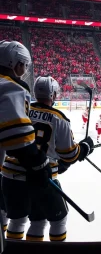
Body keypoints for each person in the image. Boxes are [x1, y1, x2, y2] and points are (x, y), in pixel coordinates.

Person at [25, 76, 94, 242]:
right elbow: (69, 154)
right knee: (59, 221)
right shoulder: (59, 118)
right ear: (53, 95)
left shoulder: (23, 110)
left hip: (23, 176)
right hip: (46, 179)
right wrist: (84, 148)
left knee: (37, 222)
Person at [0, 41, 52, 240]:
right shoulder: (11, 88)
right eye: (24, 65)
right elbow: (19, 142)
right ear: (15, 64)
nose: (24, 70)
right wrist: (39, 165)